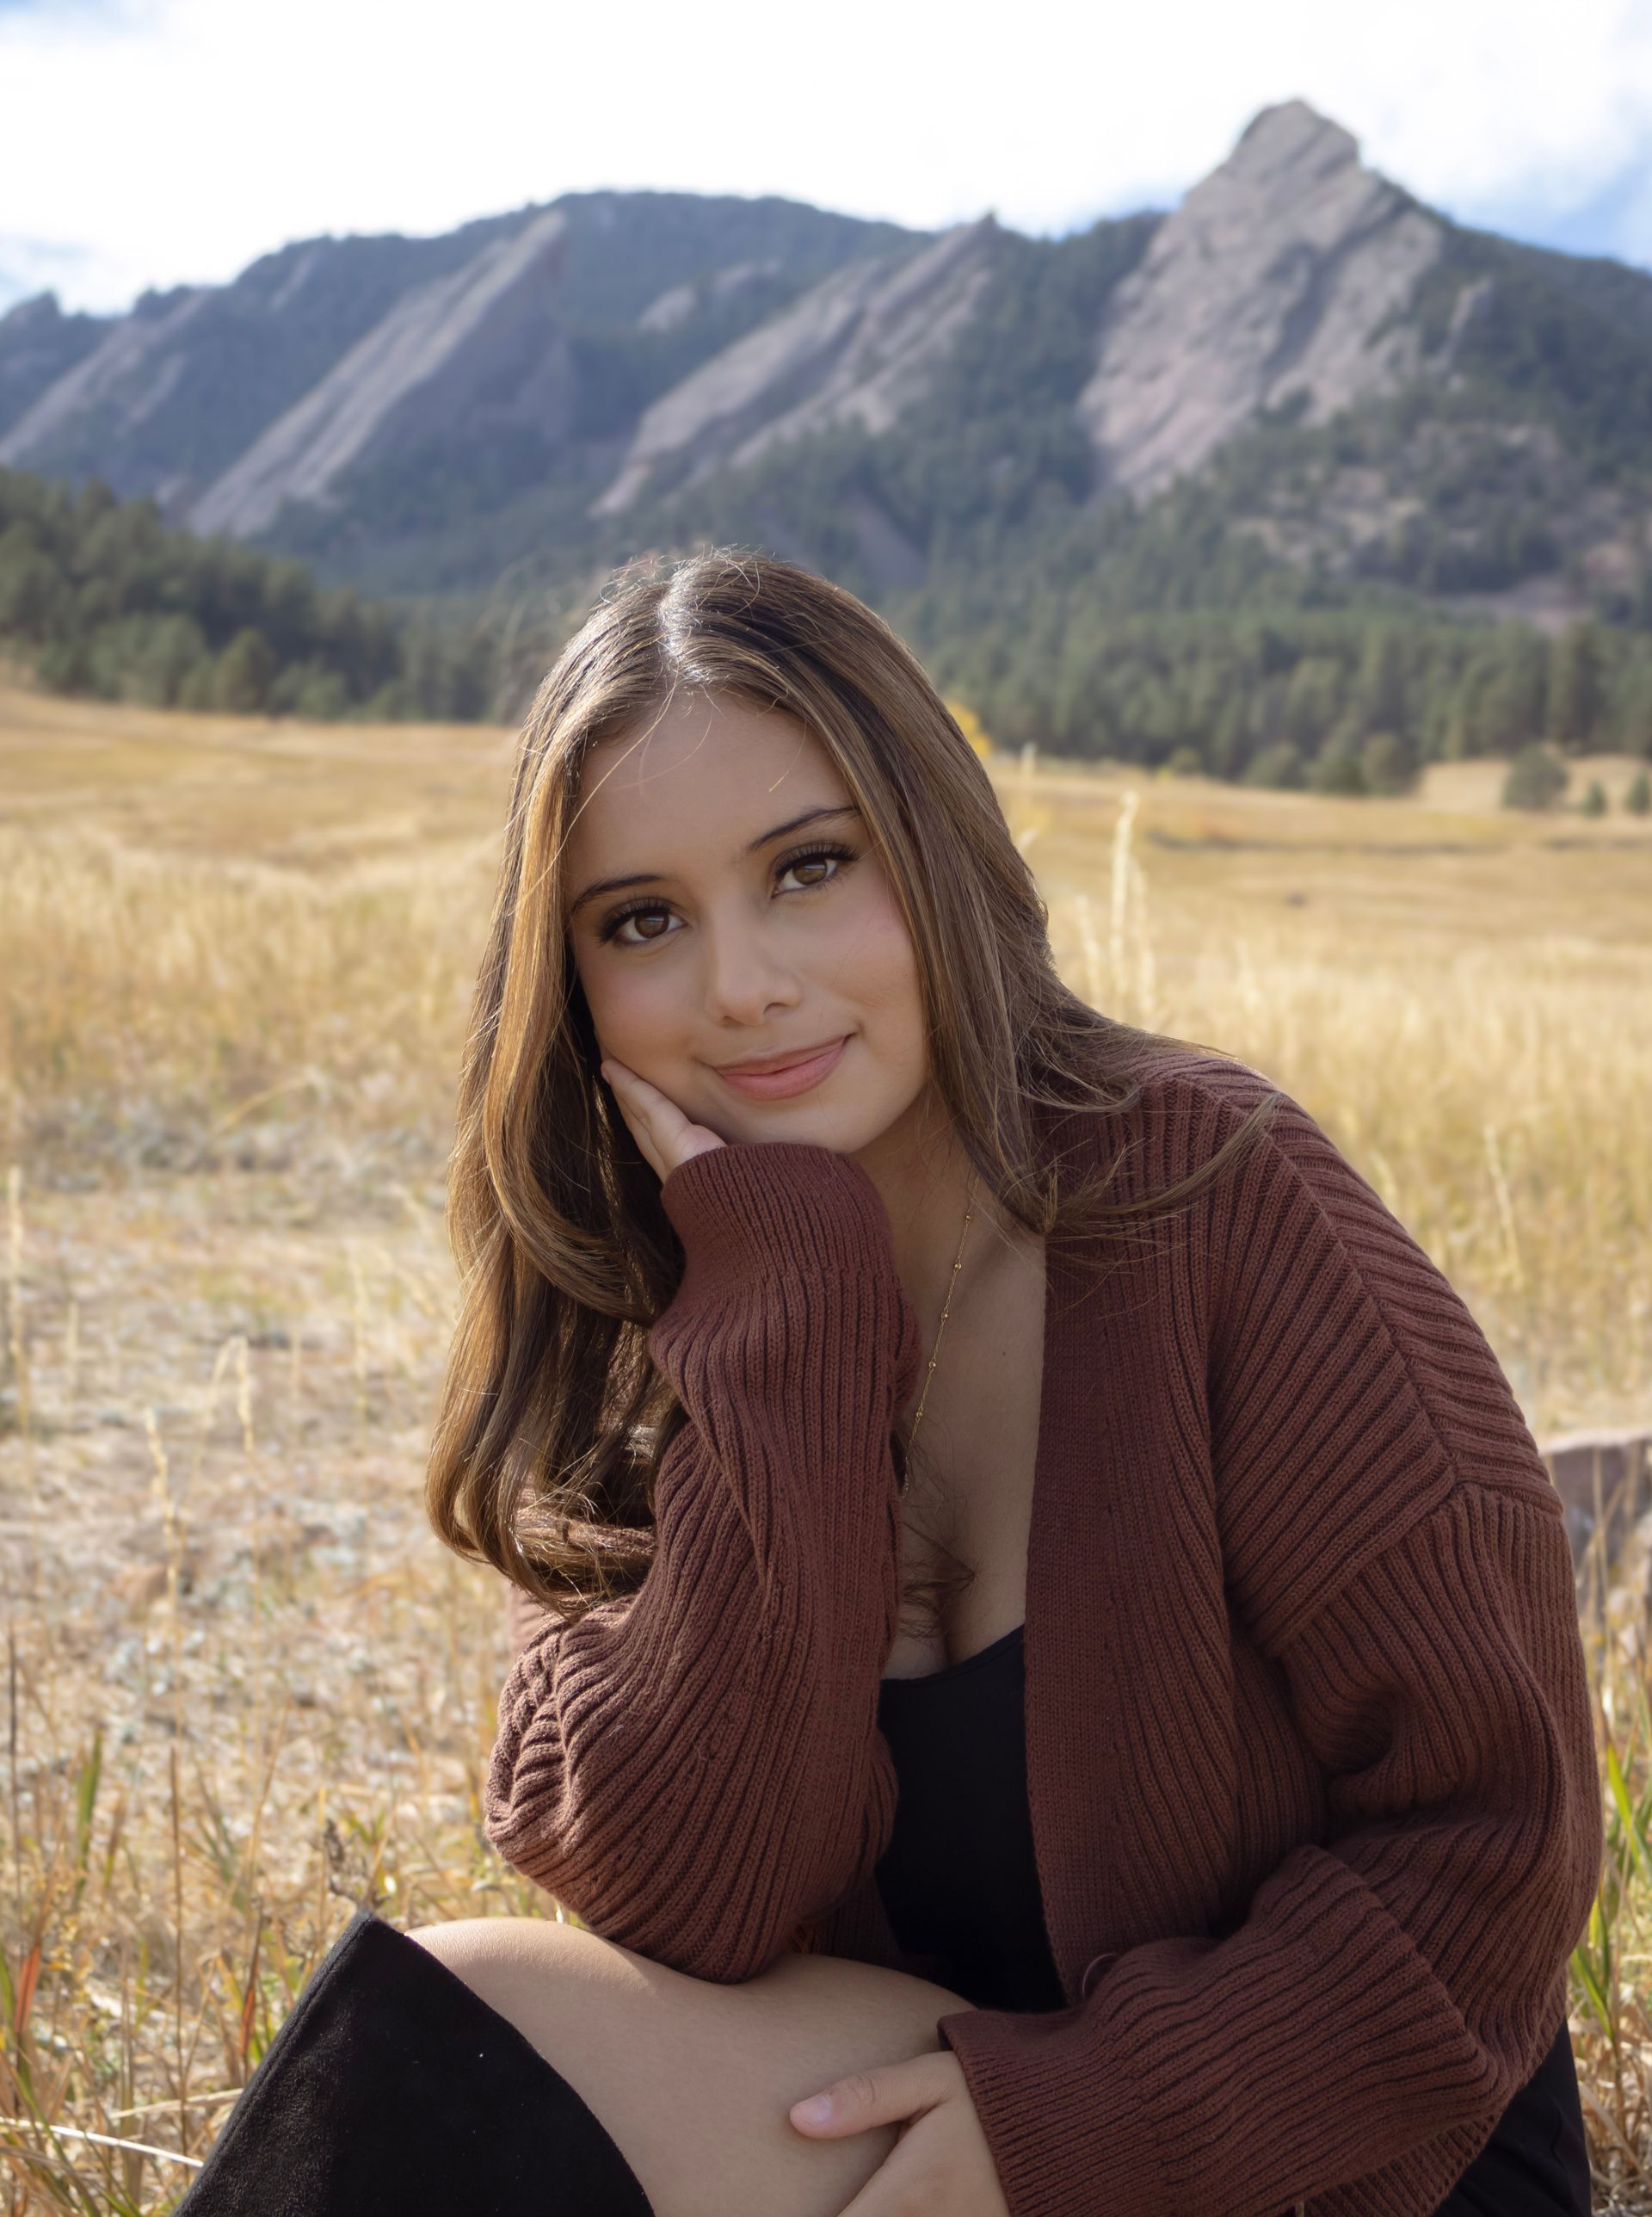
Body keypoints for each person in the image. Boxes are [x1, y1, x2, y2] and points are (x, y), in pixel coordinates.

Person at [179, 550, 1600, 2217]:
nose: (740, 983)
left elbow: (1494, 1837)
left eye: (808, 867)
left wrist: (1074, 2125)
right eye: (644, 919)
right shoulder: (648, 1312)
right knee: (464, 2027)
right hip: (925, 2121)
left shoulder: (1212, 1192)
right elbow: (685, 1906)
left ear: (928, 848)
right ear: (571, 985)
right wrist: (787, 1330)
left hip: (1319, 2159)